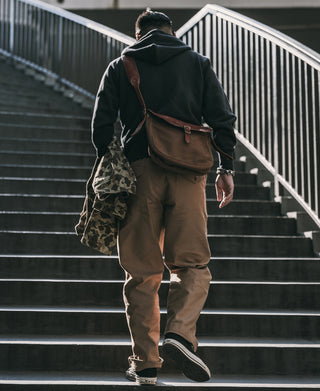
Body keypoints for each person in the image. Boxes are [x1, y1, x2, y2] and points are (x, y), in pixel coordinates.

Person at [91, 10, 236, 386]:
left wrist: (112, 163)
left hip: (140, 174)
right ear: (172, 32)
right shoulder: (197, 62)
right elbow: (222, 118)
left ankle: (146, 364)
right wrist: (226, 168)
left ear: (137, 33)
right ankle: (180, 333)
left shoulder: (122, 64)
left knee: (141, 274)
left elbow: (101, 126)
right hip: (190, 173)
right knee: (192, 265)